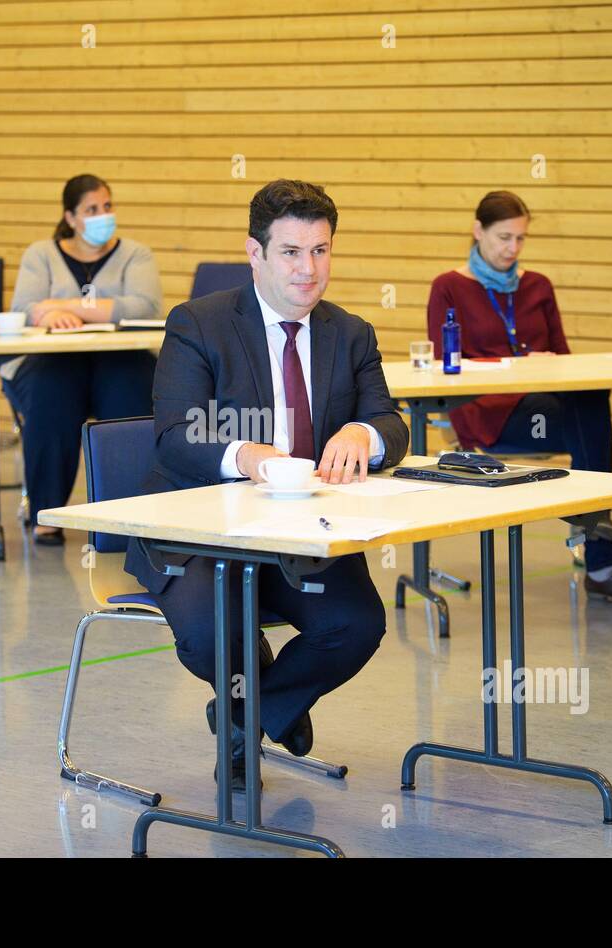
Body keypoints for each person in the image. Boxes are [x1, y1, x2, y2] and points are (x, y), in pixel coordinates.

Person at [124, 179, 409, 789]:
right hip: (196, 533)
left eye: (321, 251)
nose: (309, 270)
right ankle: (266, 697)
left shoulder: (350, 332)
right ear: (254, 254)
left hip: (298, 534)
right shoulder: (198, 324)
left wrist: (364, 433)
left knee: (356, 625)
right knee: (211, 636)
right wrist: (246, 454)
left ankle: (247, 713)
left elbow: (392, 422)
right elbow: (174, 434)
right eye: (290, 252)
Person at [426, 190, 612, 603]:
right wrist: (516, 367)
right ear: (477, 231)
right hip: (487, 409)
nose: (512, 248)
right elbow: (443, 367)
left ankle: (589, 523)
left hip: (546, 404)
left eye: (520, 239)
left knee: (590, 397)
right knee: (589, 422)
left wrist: (545, 365)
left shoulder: (538, 285)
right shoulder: (448, 287)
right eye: (504, 237)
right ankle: (598, 551)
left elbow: (565, 361)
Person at [2, 174, 162, 546]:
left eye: (107, 207)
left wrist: (66, 306)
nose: (102, 215)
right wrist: (47, 314)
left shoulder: (136, 253)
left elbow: (143, 307)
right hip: (54, 361)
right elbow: (24, 310)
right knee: (50, 395)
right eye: (91, 209)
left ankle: (127, 517)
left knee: (130, 393)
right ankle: (45, 512)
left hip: (121, 359)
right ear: (71, 217)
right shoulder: (41, 254)